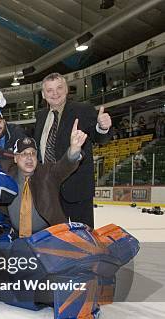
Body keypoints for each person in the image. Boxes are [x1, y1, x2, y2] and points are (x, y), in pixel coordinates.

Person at [34, 72, 112, 228]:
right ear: (43, 94)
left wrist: (102, 127)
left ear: (66, 90)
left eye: (59, 88)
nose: (55, 93)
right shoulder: (41, 116)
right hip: (48, 188)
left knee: (83, 238)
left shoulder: (83, 109)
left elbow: (98, 137)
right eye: (49, 90)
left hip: (76, 188)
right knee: (55, 237)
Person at [1, 121, 86, 237]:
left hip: (48, 237)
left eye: (32, 153)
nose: (29, 158)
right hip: (16, 238)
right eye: (24, 154)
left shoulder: (47, 173)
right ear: (15, 158)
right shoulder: (6, 177)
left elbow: (63, 167)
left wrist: (74, 150)